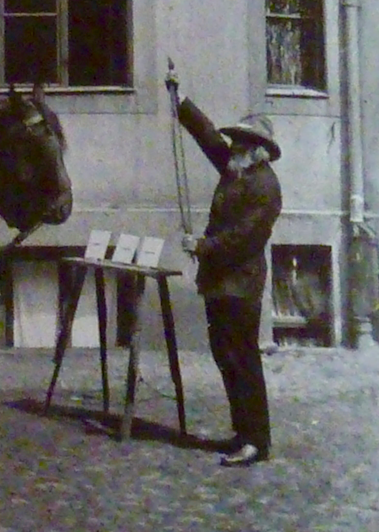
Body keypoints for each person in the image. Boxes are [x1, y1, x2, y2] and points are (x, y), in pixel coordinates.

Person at [165, 67, 283, 466]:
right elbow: (209, 137)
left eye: (241, 142)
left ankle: (256, 441)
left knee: (242, 359)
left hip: (241, 286)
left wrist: (201, 246)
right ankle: (242, 432)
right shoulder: (236, 170)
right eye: (235, 142)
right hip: (221, 284)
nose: (232, 147)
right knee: (225, 355)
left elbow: (243, 239)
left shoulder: (264, 187)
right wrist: (180, 102)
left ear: (258, 149)